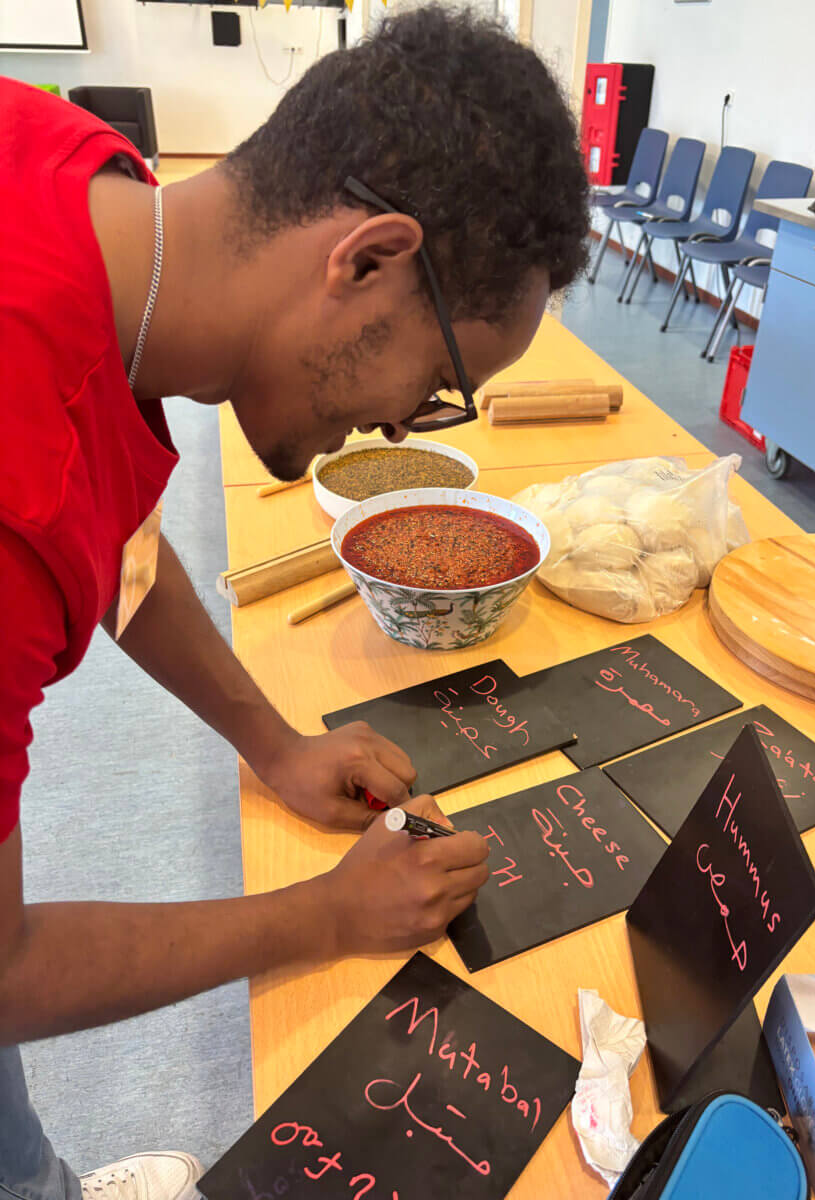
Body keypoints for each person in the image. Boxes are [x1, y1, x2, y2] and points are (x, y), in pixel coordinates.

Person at [0, 7, 589, 1200]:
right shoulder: (12, 483)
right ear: (365, 259)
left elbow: (117, 535)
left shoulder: (85, 176)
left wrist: (271, 744)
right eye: (434, 384)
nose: (395, 429)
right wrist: (321, 918)